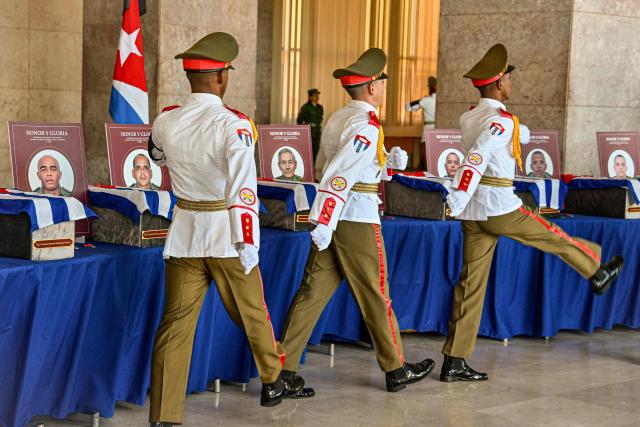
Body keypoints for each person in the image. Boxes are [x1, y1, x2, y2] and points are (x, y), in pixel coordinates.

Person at [146, 32, 311, 427]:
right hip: (226, 234)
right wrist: (248, 240)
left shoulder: (166, 119)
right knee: (252, 311)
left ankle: (165, 416)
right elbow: (243, 188)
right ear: (221, 78)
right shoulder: (234, 125)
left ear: (190, 77)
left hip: (185, 233)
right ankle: (272, 381)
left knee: (175, 327)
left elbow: (155, 154)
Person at [442, 43, 624, 383]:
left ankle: (455, 359)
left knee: (470, 284)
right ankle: (596, 271)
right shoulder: (502, 122)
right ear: (498, 84)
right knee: (553, 235)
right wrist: (457, 193)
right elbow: (478, 157)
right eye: (509, 77)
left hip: (474, 212)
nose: (512, 82)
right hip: (498, 205)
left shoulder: (472, 116)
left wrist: (462, 199)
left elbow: (507, 137)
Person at [280, 48, 435, 395]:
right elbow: (338, 174)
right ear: (371, 87)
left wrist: (386, 166)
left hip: (337, 218)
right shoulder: (365, 124)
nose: (383, 85)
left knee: (311, 293)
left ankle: (281, 371)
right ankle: (395, 368)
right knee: (376, 293)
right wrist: (324, 217)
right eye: (381, 80)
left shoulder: (338, 117)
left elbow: (336, 167)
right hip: (356, 217)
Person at [406, 76, 437, 169]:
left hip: (428, 128)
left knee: (426, 150)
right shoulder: (441, 100)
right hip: (439, 128)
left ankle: (427, 169)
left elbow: (408, 107)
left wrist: (421, 100)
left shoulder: (426, 100)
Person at [296, 88, 324, 159]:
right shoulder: (305, 107)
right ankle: (308, 167)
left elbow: (320, 118)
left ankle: (312, 168)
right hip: (309, 131)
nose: (317, 97)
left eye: (317, 95)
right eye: (315, 95)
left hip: (317, 131)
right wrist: (303, 130)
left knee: (315, 149)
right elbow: (299, 120)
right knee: (308, 150)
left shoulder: (320, 107)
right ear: (310, 97)